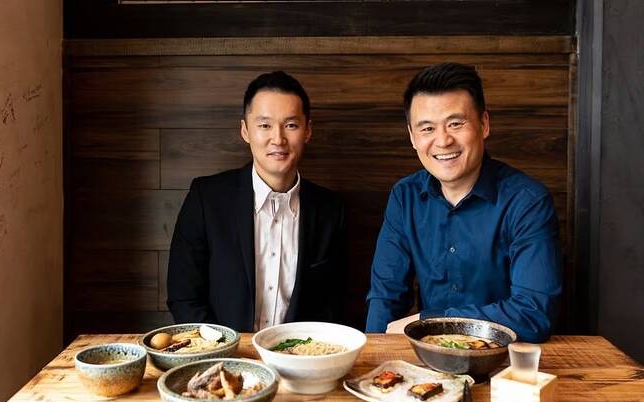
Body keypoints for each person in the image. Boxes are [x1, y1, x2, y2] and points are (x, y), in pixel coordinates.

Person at [365, 63, 562, 343]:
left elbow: (533, 314)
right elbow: (385, 297)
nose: (443, 140)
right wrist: (374, 358)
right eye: (427, 128)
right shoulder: (405, 197)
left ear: (484, 125)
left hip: (506, 365)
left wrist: (432, 321)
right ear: (412, 136)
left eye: (456, 123)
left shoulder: (527, 201)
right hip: (432, 363)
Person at [167, 71, 347, 332]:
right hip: (221, 358)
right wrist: (223, 351)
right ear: (245, 130)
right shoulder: (206, 198)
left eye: (291, 125)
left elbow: (334, 303)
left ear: (308, 130)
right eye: (265, 125)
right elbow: (184, 296)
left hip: (300, 361)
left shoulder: (331, 210)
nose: (278, 139)